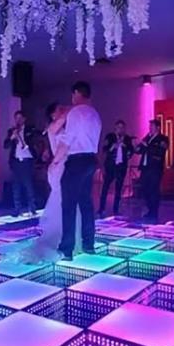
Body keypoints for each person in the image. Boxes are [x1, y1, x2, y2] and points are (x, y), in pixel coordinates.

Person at [13, 103, 82, 264]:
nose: (62, 110)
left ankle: (70, 237)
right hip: (59, 166)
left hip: (66, 165)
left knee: (69, 200)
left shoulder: (64, 128)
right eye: (59, 109)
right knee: (62, 200)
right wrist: (75, 106)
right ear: (53, 115)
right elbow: (61, 145)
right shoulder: (53, 127)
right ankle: (59, 235)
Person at [56, 81, 102, 261]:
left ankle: (66, 249)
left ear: (76, 93)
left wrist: (55, 160)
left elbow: (68, 139)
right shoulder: (95, 114)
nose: (72, 98)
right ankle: (88, 244)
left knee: (69, 204)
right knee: (86, 203)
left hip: (76, 160)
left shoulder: (75, 113)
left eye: (73, 94)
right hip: (91, 159)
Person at [3, 110, 37, 217]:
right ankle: (17, 209)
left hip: (27, 161)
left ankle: (32, 208)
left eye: (20, 118)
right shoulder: (11, 131)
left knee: (28, 185)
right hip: (16, 162)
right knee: (16, 187)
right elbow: (5, 145)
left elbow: (34, 139)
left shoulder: (30, 129)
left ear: (24, 119)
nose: (18, 120)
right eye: (16, 118)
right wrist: (12, 137)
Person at [98, 120, 134, 217]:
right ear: (115, 128)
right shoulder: (110, 137)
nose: (120, 129)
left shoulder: (127, 138)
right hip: (110, 166)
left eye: (122, 127)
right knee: (105, 187)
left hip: (121, 166)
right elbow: (104, 149)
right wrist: (113, 147)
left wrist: (126, 149)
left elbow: (131, 151)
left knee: (119, 188)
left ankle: (116, 210)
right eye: (119, 127)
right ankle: (101, 209)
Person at [136, 119, 169, 223]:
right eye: (149, 126)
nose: (150, 128)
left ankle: (154, 213)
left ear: (158, 127)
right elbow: (140, 149)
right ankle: (150, 210)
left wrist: (147, 146)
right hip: (145, 168)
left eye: (152, 126)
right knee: (145, 189)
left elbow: (160, 151)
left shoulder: (163, 139)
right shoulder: (147, 137)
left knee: (154, 190)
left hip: (155, 168)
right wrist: (137, 146)